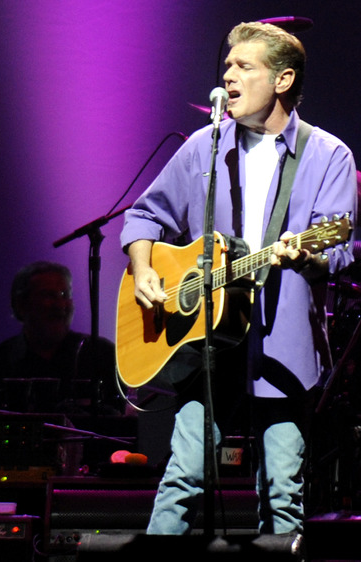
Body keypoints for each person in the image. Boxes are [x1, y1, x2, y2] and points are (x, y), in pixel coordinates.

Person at [121, 21, 356, 535]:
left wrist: (305, 256)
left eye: (243, 66)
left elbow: (338, 248)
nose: (227, 74)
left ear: (283, 79)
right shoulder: (206, 146)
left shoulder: (328, 155)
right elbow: (143, 217)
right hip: (208, 343)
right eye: (226, 64)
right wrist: (142, 269)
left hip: (283, 348)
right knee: (181, 479)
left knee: (281, 496)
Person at [0, 261, 123, 415]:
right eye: (48, 295)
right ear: (21, 304)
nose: (60, 305)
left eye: (65, 294)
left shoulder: (102, 355)